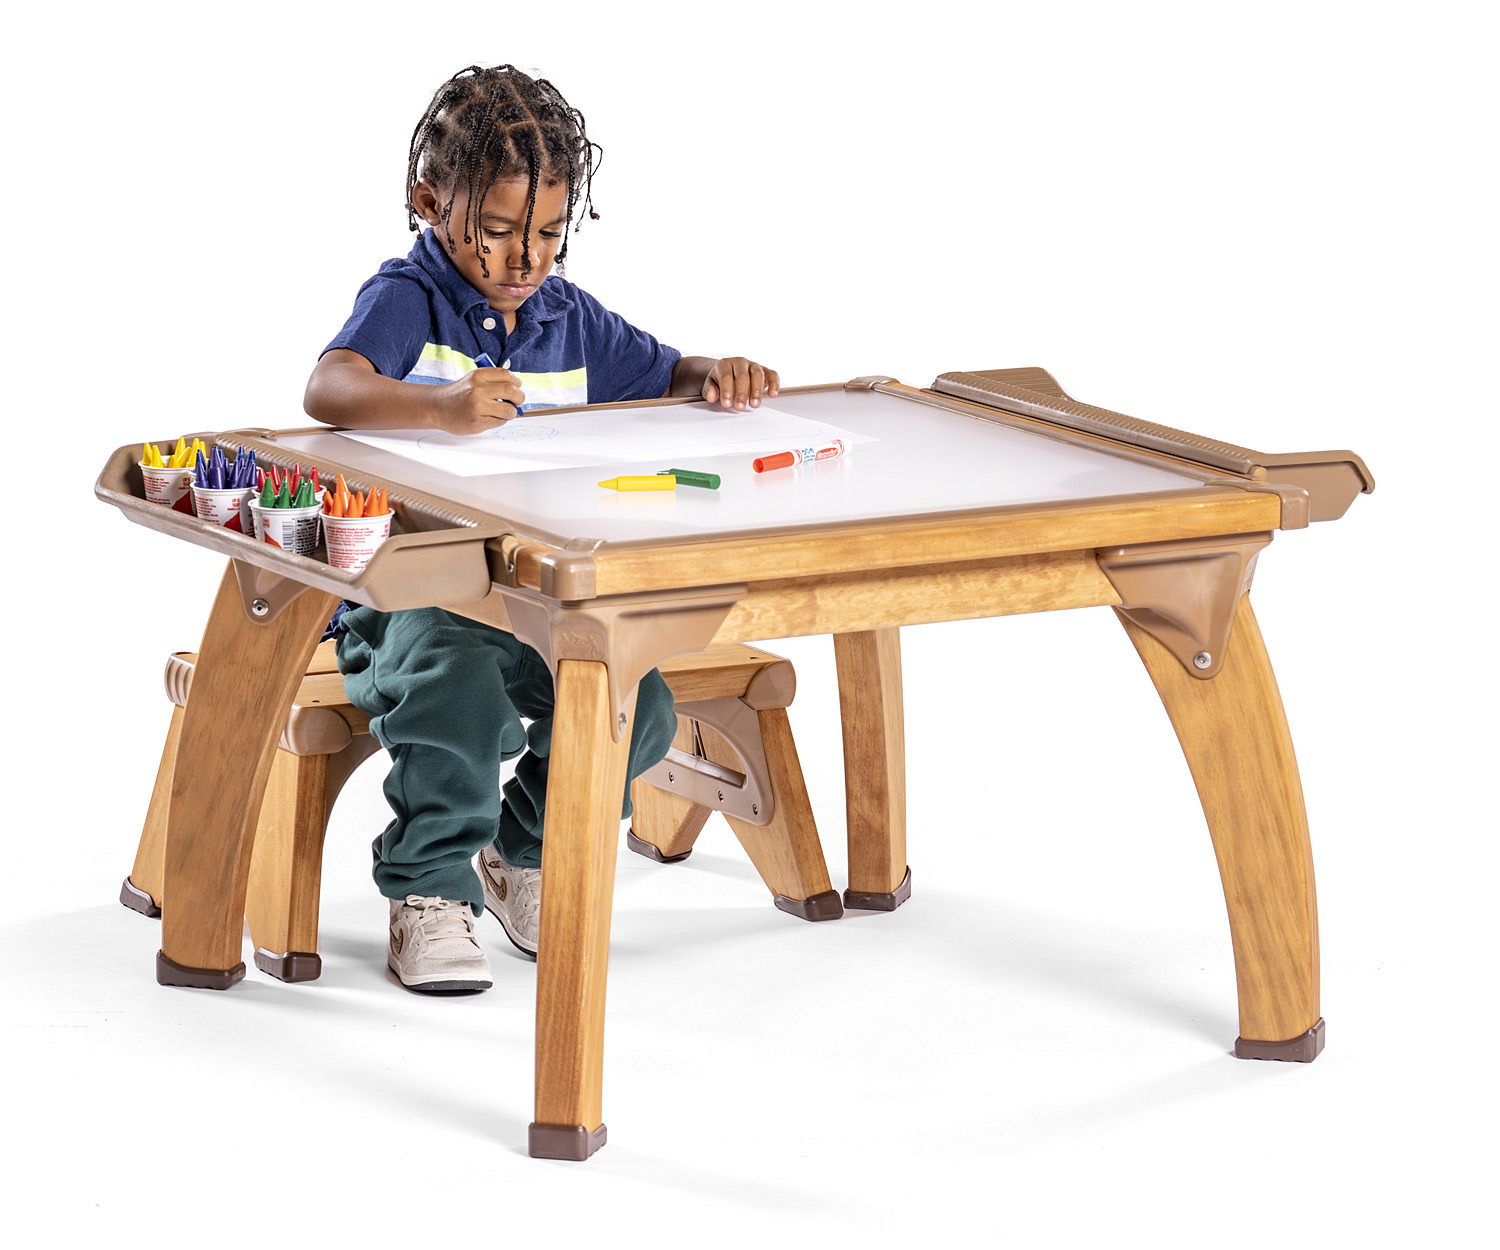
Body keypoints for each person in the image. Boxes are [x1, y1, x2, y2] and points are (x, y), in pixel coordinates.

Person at [304, 64, 778, 994]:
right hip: (409, 600)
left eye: (549, 234)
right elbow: (329, 387)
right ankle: (430, 885)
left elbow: (667, 373)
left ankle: (520, 851)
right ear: (429, 203)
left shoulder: (568, 317)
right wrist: (439, 408)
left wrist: (717, 373)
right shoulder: (410, 298)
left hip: (535, 603)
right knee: (456, 696)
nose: (524, 260)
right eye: (496, 231)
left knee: (640, 709)